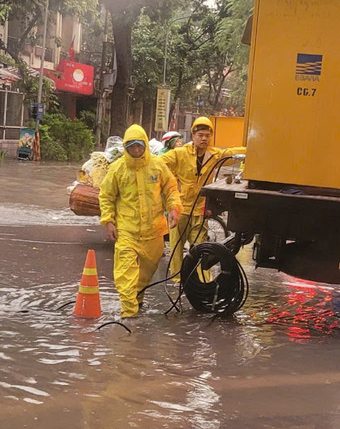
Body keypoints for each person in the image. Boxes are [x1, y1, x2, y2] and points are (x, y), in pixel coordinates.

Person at [99, 124, 183, 319]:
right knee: (125, 273)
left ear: (145, 145)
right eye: (131, 146)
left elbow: (170, 188)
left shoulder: (157, 165)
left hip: (154, 230)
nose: (136, 150)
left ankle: (137, 300)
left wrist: (173, 209)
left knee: (147, 272)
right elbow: (106, 196)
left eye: (139, 146)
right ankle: (129, 315)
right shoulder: (117, 169)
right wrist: (109, 221)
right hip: (127, 230)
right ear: (126, 148)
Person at [160, 116, 245, 281]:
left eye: (207, 135)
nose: (204, 138)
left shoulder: (213, 155)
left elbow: (231, 153)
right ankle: (178, 280)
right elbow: (158, 164)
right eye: (200, 135)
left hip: (199, 209)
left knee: (201, 248)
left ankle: (204, 281)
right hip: (180, 208)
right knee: (176, 248)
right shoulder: (179, 154)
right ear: (193, 135)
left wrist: (253, 148)